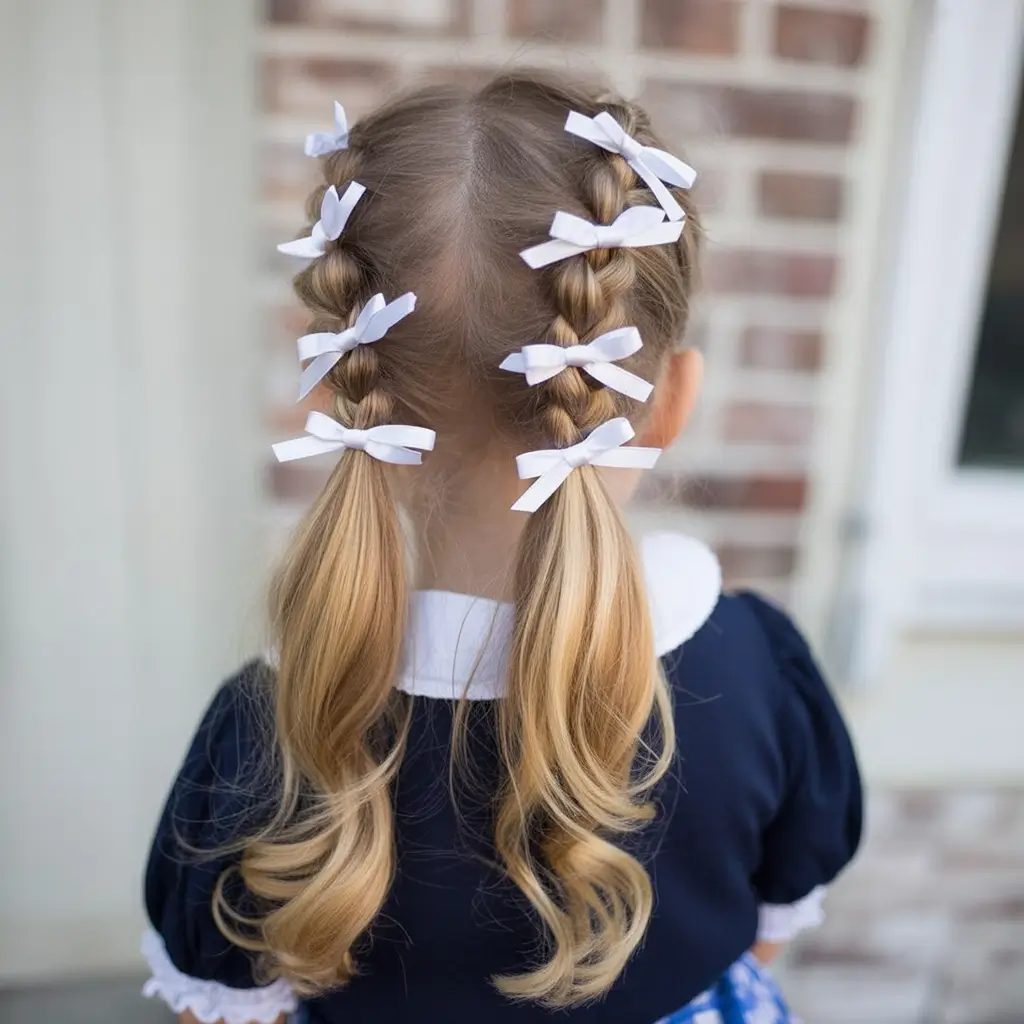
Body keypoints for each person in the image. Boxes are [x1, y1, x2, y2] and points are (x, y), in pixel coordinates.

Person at [142, 70, 862, 1024]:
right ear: (673, 404)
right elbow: (763, 930)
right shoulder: (755, 666)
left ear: (339, 403)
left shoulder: (267, 735)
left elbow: (220, 1010)